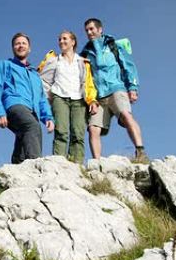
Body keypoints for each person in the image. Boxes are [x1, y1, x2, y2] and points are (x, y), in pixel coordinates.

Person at [80, 18, 149, 163]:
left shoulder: (113, 46)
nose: (89, 32)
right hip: (98, 97)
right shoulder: (85, 53)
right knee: (93, 128)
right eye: (87, 30)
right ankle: (97, 163)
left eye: (92, 29)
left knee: (126, 115)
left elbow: (128, 66)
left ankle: (140, 151)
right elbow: (86, 78)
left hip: (116, 89)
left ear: (100, 29)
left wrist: (133, 87)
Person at [0, 32, 54, 164]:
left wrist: (48, 117)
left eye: (24, 43)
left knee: (24, 137)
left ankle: (16, 169)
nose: (20, 46)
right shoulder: (5, 65)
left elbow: (41, 98)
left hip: (32, 110)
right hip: (14, 105)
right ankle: (36, 165)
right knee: (32, 127)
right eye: (17, 43)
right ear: (13, 48)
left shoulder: (34, 74)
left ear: (29, 48)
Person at [37, 30, 97, 164]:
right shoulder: (54, 61)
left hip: (79, 100)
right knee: (61, 132)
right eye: (59, 39)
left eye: (64, 39)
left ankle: (76, 164)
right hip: (59, 98)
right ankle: (59, 164)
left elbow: (88, 83)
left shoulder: (82, 62)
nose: (61, 41)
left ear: (73, 42)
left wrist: (92, 100)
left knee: (78, 133)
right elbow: (42, 80)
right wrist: (45, 98)